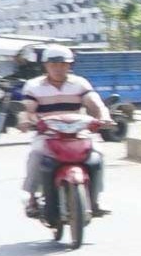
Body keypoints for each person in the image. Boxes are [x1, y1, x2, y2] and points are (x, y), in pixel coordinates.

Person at [19, 45, 114, 218]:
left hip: (78, 133)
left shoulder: (79, 83)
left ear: (69, 65)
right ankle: (32, 197)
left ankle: (96, 199)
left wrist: (104, 116)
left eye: (63, 64)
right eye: (53, 64)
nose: (58, 68)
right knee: (35, 155)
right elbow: (27, 109)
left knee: (98, 156)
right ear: (45, 66)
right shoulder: (33, 86)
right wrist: (26, 120)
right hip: (48, 134)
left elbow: (94, 103)